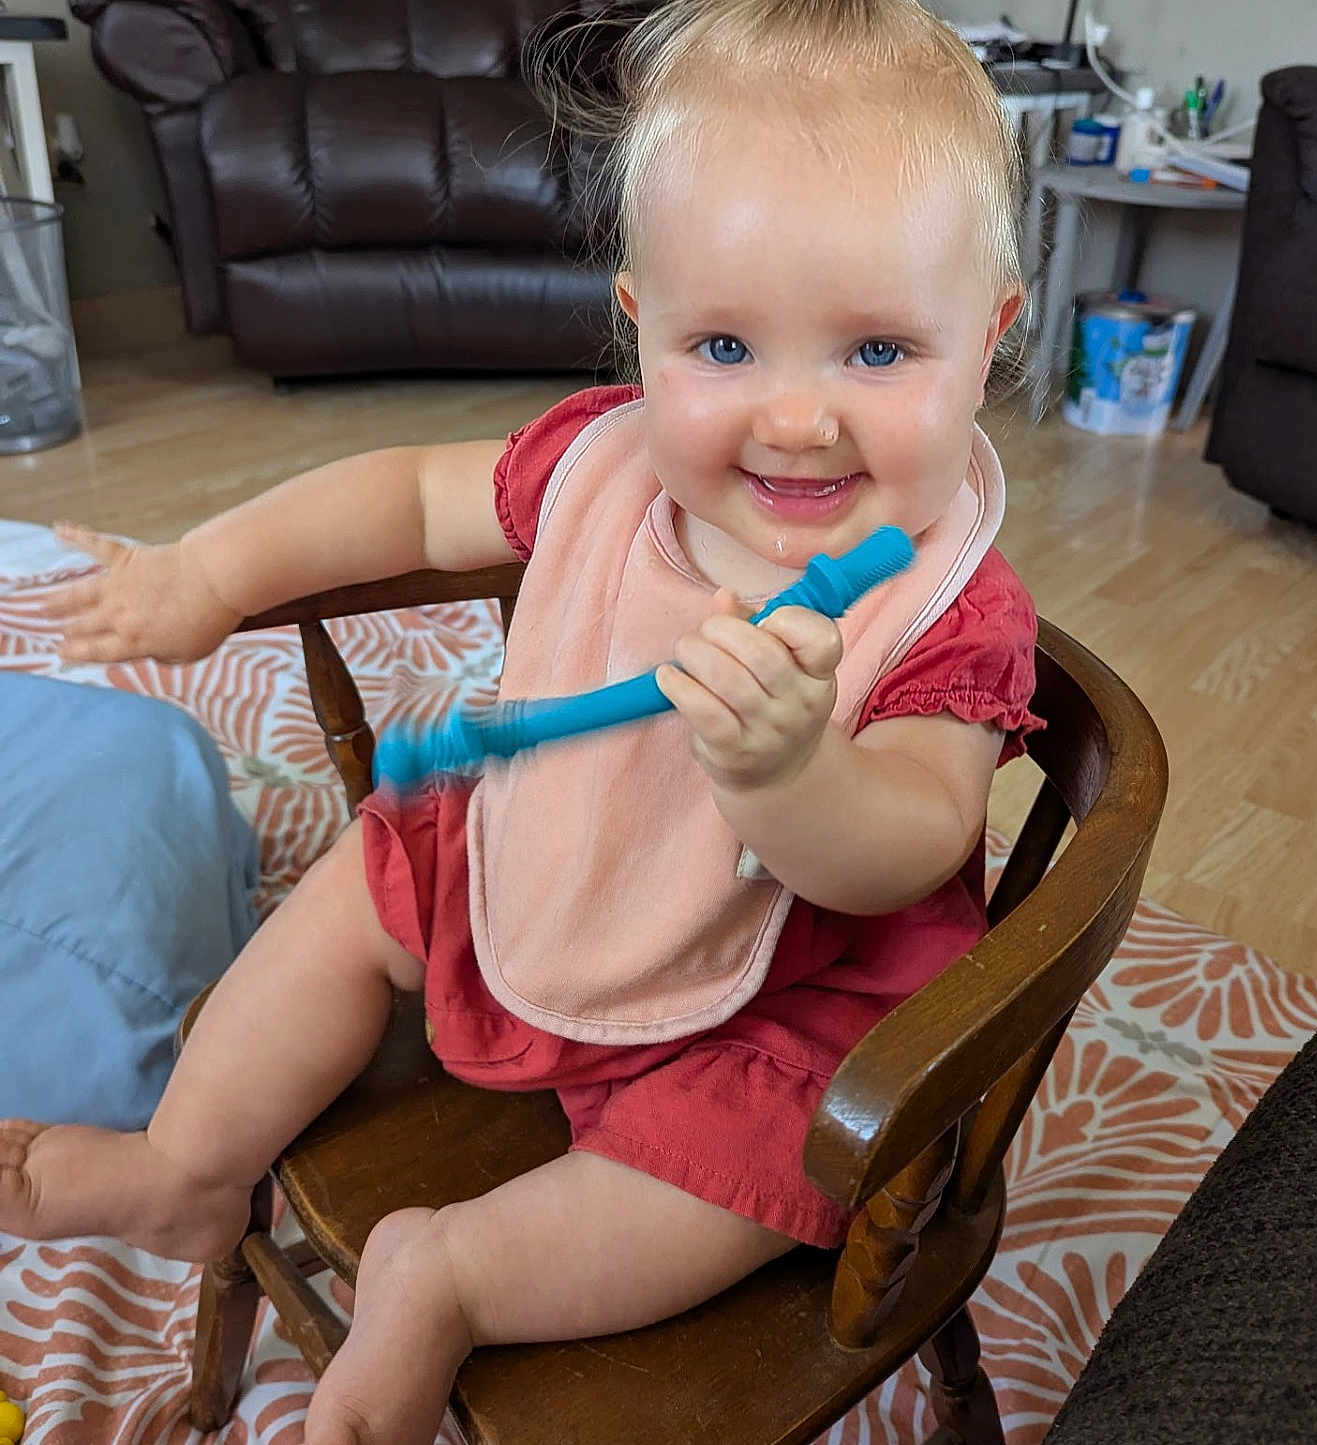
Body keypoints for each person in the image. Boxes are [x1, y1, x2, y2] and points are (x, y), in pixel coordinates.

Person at [1, 0, 1043, 1440]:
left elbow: (910, 840)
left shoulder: (950, 607)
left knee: (771, 1158)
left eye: (876, 352)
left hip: (791, 995)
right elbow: (408, 496)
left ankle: (453, 1276)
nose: (796, 419)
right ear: (639, 322)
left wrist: (793, 774)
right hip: (553, 860)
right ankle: (186, 1165)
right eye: (723, 344)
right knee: (365, 883)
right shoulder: (600, 471)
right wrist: (209, 571)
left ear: (986, 339)